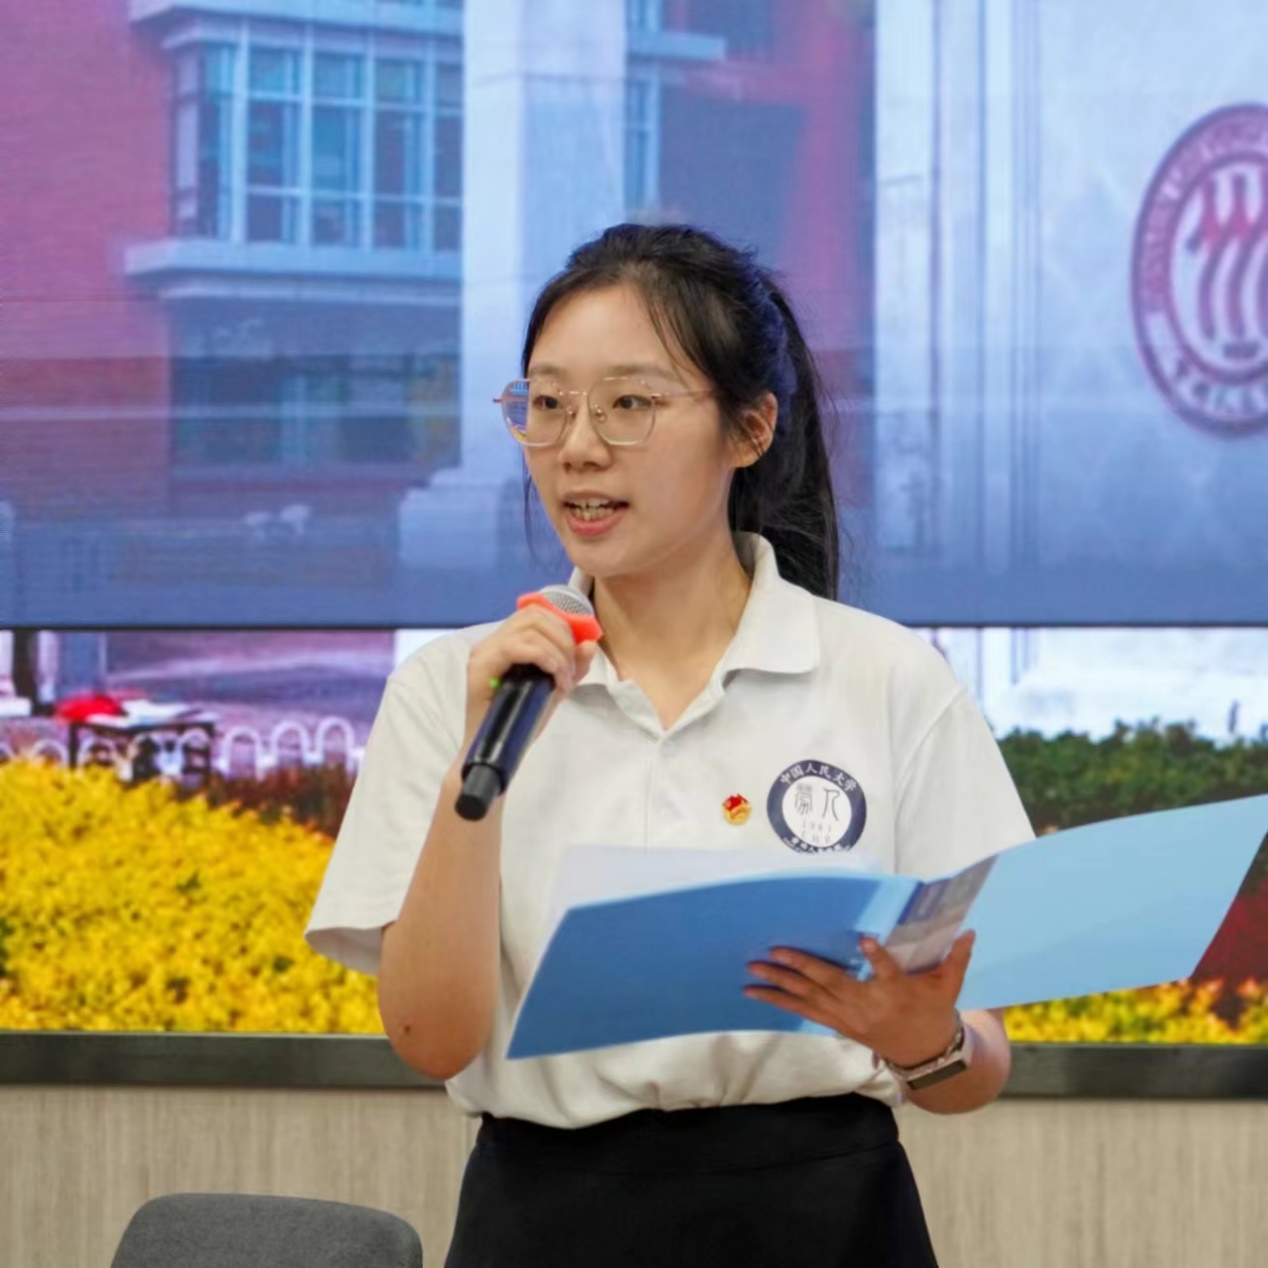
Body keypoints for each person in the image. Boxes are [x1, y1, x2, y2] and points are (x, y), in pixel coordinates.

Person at [306, 223, 1033, 1267]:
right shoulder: (457, 687)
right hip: (546, 1221)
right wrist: (481, 761)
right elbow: (430, 1038)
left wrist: (927, 1040)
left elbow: (978, 1066)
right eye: (546, 404)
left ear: (750, 427)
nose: (577, 446)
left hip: (828, 1222)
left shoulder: (885, 678)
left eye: (629, 404)